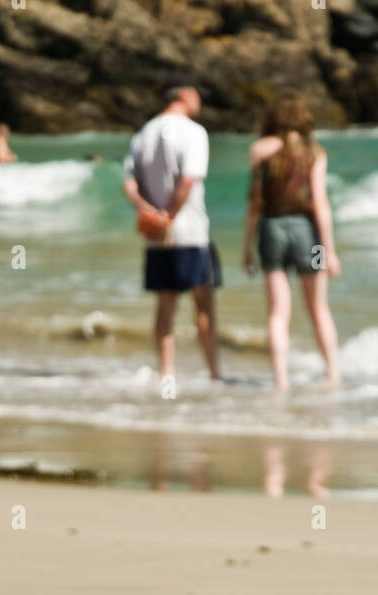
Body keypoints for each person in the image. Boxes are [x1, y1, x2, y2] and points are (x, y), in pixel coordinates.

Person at [123, 78, 220, 390]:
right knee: (203, 306)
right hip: (190, 231)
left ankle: (167, 376)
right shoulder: (193, 132)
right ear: (184, 95)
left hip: (157, 235)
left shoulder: (144, 132)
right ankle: (214, 375)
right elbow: (189, 180)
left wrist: (152, 213)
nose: (200, 102)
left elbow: (129, 184)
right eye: (197, 95)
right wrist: (171, 215)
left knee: (165, 308)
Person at [243, 95, 341, 393]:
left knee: (277, 313)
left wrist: (247, 247)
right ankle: (333, 373)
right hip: (308, 235)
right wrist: (329, 251)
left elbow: (255, 204)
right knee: (319, 309)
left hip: (271, 230)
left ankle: (281, 380)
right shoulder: (314, 152)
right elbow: (320, 204)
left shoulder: (260, 150)